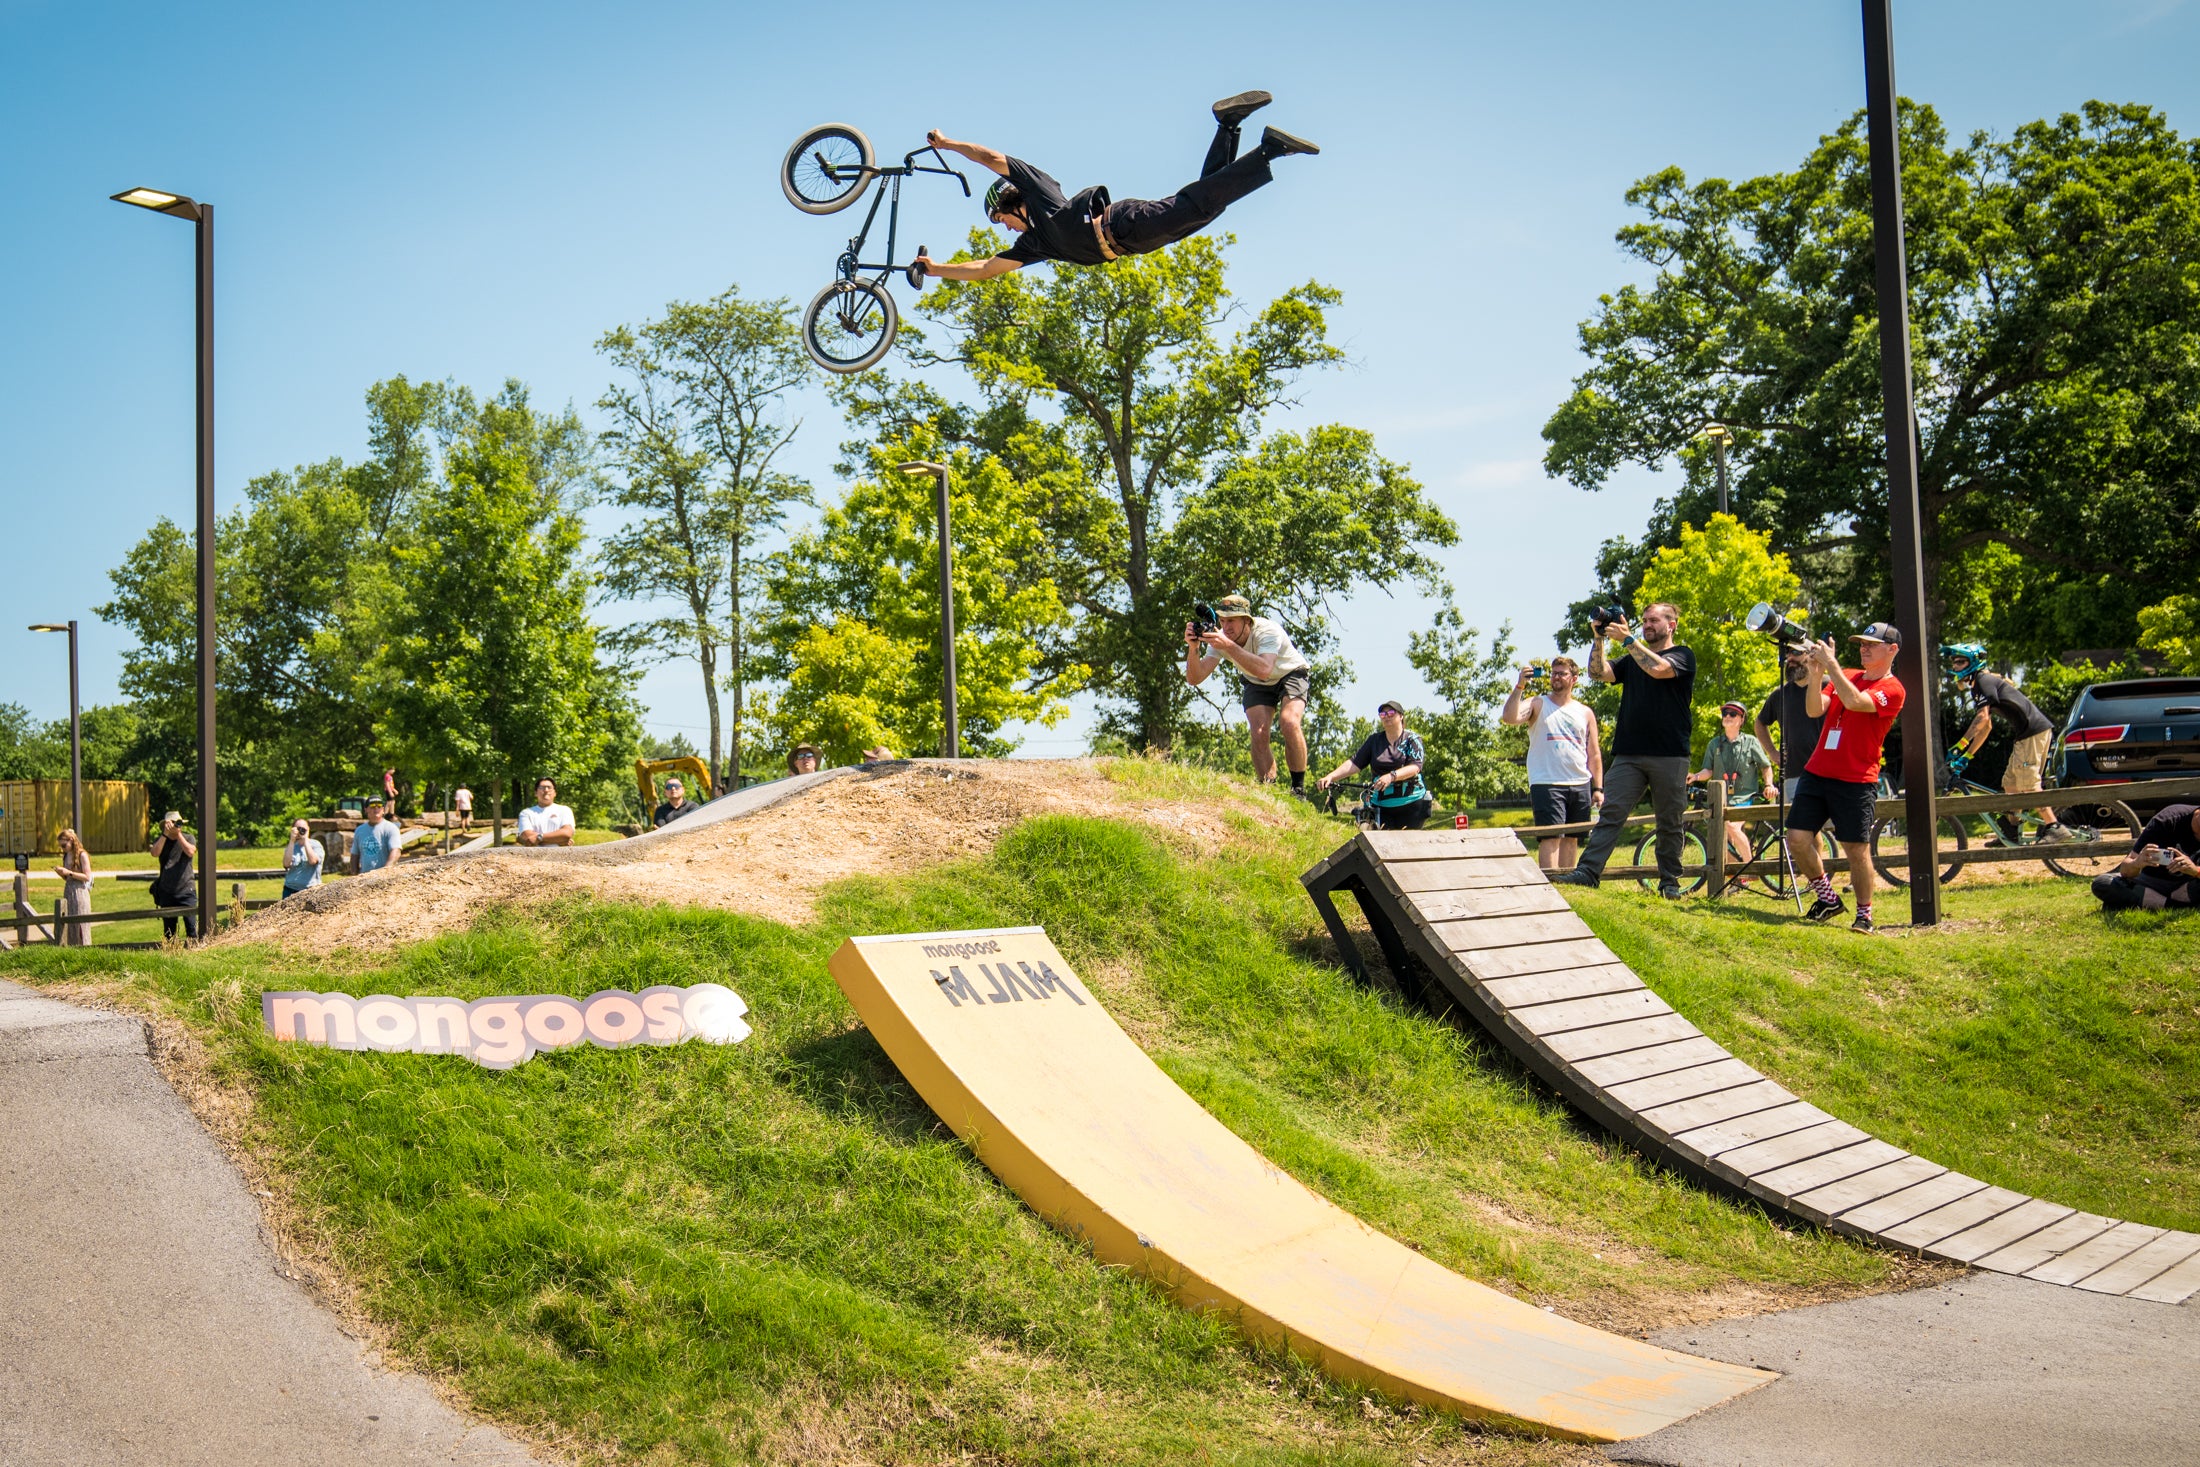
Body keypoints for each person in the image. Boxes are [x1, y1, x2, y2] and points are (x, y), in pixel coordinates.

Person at [914, 94, 1318, 284]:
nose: (1005, 230)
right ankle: (1227, 124)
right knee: (1208, 205)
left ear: (1012, 202)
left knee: (1201, 206)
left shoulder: (1039, 194)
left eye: (1002, 219)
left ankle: (1268, 150)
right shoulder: (1036, 246)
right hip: (1132, 242)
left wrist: (947, 144)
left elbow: (989, 158)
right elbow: (983, 270)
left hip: (1124, 223)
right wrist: (935, 270)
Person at [1553, 603, 1698, 896]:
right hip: (1629, 753)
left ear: (1672, 625)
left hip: (1670, 754)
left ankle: (1669, 883)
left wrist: (1629, 640)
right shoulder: (1632, 658)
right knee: (1610, 814)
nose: (1647, 624)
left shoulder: (1683, 655)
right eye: (1644, 620)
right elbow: (1598, 673)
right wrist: (1599, 638)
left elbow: (1658, 669)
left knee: (1669, 821)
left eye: (1654, 620)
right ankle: (1588, 872)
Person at [1784, 623, 1906, 933]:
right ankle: (1828, 899)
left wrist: (1832, 665)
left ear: (1892, 650)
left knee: (1856, 850)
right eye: (1862, 643)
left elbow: (1855, 702)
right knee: (1796, 840)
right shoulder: (1847, 674)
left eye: (1872, 644)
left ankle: (1864, 914)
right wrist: (1815, 674)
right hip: (1817, 771)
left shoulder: (1893, 689)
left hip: (1855, 779)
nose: (1864, 648)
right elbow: (1814, 710)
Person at [1940, 644, 2071, 842]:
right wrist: (1967, 755)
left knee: (2028, 782)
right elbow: (1987, 727)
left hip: (2032, 732)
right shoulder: (1980, 683)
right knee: (2011, 783)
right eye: (1954, 662)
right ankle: (2011, 831)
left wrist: (1960, 744)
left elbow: (1982, 718)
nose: (1956, 666)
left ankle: (2055, 827)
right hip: (2027, 735)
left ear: (1973, 662)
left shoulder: (1982, 681)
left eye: (1961, 661)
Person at [1184, 594, 1313, 794]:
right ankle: (1268, 791)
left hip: (1289, 673)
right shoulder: (1222, 639)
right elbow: (1195, 678)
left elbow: (1264, 669)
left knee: (1289, 722)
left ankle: (1298, 788)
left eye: (1232, 621)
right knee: (1259, 733)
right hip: (1255, 680)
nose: (1226, 627)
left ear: (1247, 621)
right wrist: (1193, 648)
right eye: (1223, 621)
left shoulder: (1267, 631)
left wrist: (1227, 645)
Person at [1501, 657, 1604, 872]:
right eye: (1554, 673)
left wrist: (1598, 788)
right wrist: (1520, 685)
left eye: (1562, 673)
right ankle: (1550, 882)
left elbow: (1594, 753)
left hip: (1579, 781)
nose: (1556, 677)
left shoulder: (1585, 712)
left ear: (1574, 678)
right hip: (1547, 781)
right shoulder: (1537, 703)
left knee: (1572, 836)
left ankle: (1569, 881)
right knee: (1550, 836)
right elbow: (1509, 717)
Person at [1691, 702, 1777, 877]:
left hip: (1745, 797)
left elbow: (1766, 766)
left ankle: (1751, 870)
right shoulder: (1714, 744)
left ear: (1741, 719)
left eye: (1732, 714)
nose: (1727, 717)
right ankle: (1736, 879)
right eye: (1725, 714)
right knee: (1722, 837)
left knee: (1730, 826)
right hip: (1721, 799)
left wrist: (1769, 784)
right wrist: (1696, 777)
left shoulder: (1751, 742)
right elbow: (1708, 770)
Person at [1315, 701, 1432, 829]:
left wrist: (1391, 776)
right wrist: (1331, 777)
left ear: (1401, 716)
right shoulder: (1374, 740)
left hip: (1412, 804)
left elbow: (1415, 767)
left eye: (1391, 713)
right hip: (1381, 806)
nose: (1387, 716)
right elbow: (1354, 763)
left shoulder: (1412, 739)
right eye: (1383, 714)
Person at [2092, 804, 2199, 912]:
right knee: (2102, 883)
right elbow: (2125, 870)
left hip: (2188, 885)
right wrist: (2137, 863)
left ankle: (2144, 902)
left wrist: (2195, 871)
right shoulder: (2168, 819)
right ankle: (2177, 906)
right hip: (2150, 883)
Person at [1755, 650, 1825, 801]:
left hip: (1829, 774)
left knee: (1831, 825)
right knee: (1796, 824)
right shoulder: (1780, 694)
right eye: (1788, 654)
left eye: (1796, 652)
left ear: (1811, 654)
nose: (1790, 658)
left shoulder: (1829, 685)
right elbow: (1760, 722)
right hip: (1794, 774)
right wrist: (1772, 752)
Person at [149, 811, 197, 941]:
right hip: (167, 891)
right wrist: (165, 834)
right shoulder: (161, 840)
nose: (177, 826)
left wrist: (178, 835)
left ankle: (193, 955)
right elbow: (154, 853)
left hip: (186, 890)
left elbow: (191, 851)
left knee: (192, 931)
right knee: (169, 934)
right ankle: (171, 957)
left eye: (179, 823)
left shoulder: (188, 837)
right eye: (174, 823)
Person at [53, 827, 91, 948]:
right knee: (69, 926)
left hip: (80, 892)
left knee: (80, 925)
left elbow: (87, 877)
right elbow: (68, 877)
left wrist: (68, 872)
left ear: (71, 840)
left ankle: (84, 949)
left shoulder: (82, 855)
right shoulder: (66, 856)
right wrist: (62, 874)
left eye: (64, 845)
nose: (62, 849)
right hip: (68, 891)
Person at [516, 779, 575, 847]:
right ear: (536, 793)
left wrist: (538, 838)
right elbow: (527, 836)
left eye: (549, 787)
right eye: (542, 788)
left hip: (560, 856)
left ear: (555, 793)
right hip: (533, 856)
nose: (546, 790)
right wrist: (559, 839)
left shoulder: (564, 810)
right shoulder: (526, 813)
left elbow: (566, 833)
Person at [354, 797, 403, 872]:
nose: (376, 809)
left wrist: (384, 871)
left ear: (383, 810)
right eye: (372, 806)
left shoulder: (391, 828)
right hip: (364, 877)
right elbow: (354, 854)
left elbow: (396, 851)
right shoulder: (359, 830)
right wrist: (354, 874)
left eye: (379, 807)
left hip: (385, 877)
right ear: (366, 809)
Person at [282, 820, 325, 898]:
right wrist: (292, 840)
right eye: (298, 828)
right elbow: (286, 864)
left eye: (303, 828)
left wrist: (305, 840)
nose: (300, 831)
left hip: (311, 890)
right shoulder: (291, 847)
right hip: (290, 890)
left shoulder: (316, 845)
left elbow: (313, 861)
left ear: (308, 829)